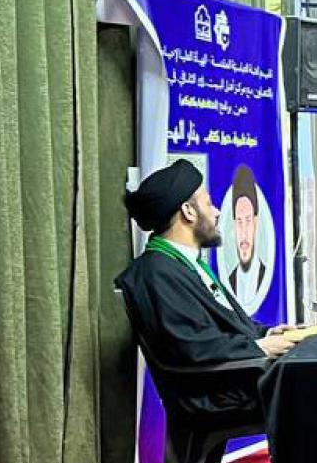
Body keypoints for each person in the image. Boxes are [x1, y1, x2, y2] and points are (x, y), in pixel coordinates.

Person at [114, 161, 298, 426]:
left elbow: (221, 326)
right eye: (209, 203)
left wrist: (268, 334)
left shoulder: (184, 264)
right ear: (188, 211)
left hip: (233, 382)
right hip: (212, 395)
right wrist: (261, 347)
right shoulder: (155, 272)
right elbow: (191, 345)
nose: (217, 212)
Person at [221, 166, 272, 314]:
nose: (243, 233)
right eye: (239, 222)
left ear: (256, 223)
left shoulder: (266, 275)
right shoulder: (229, 282)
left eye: (248, 221)